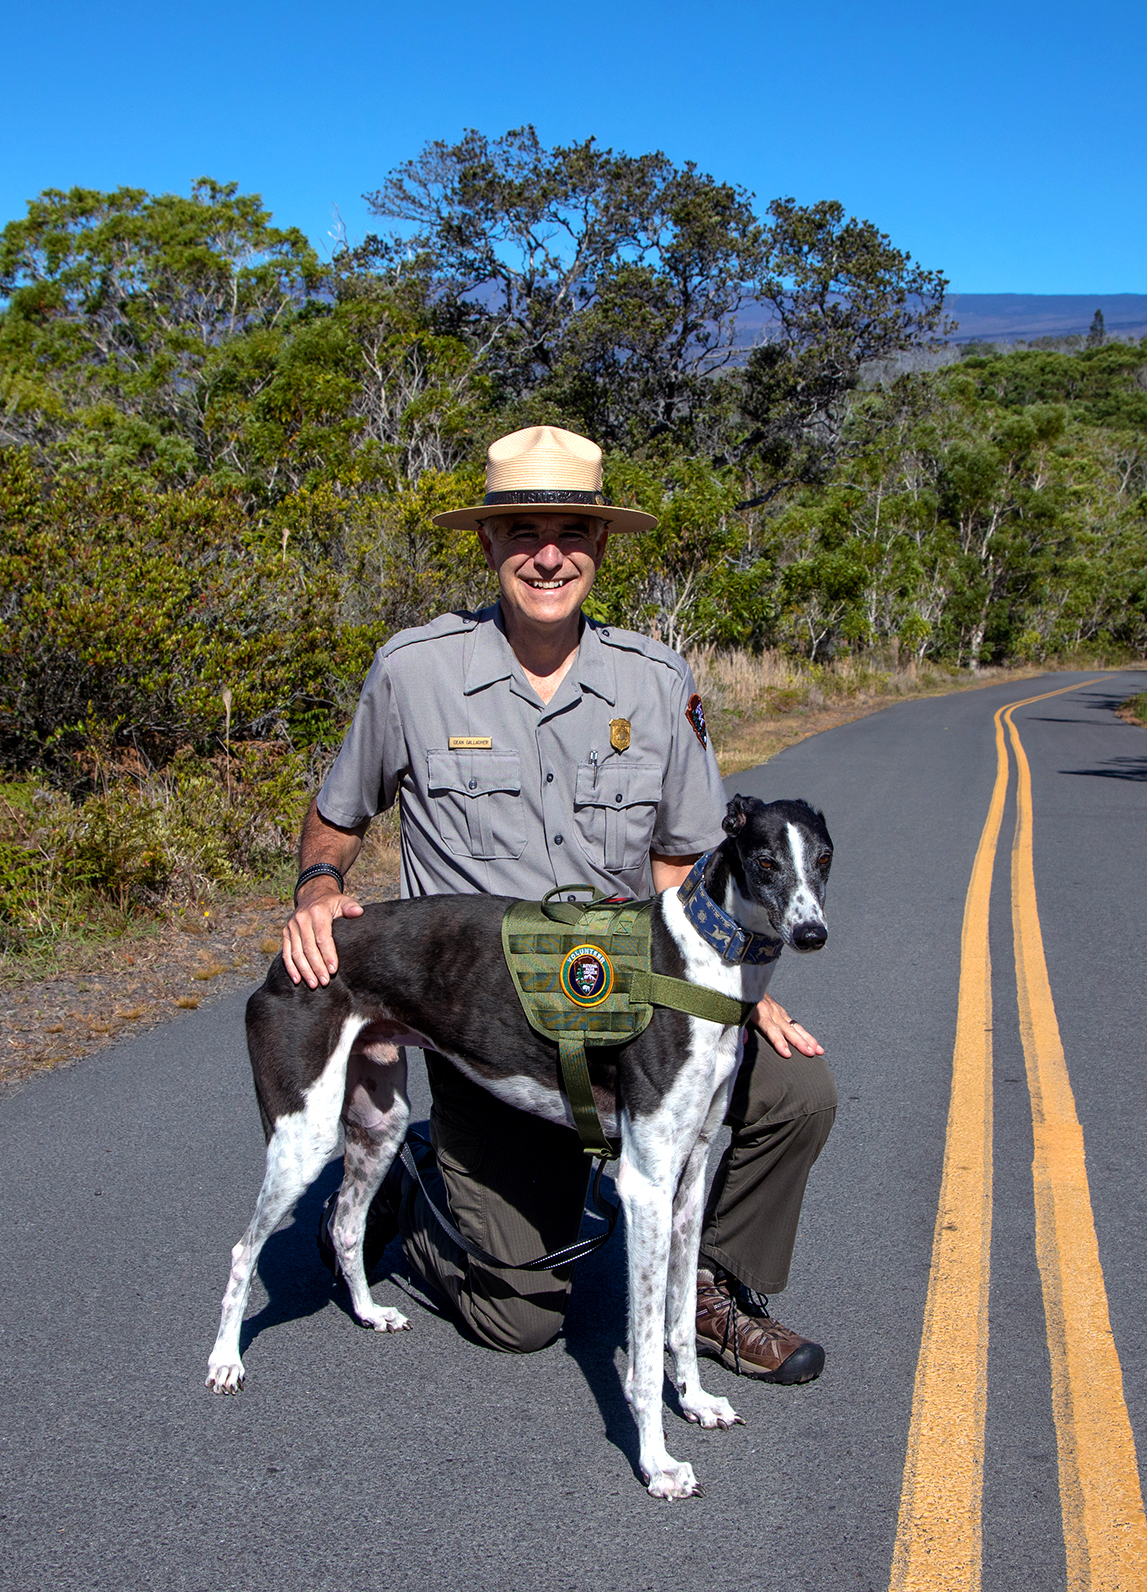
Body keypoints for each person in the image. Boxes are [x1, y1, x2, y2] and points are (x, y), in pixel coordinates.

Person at [279, 423, 835, 1383]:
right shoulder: (414, 672)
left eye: (571, 531)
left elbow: (686, 864)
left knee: (795, 1092)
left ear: (601, 547)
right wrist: (319, 889)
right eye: (522, 531)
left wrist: (733, 987)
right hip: (486, 1018)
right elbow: (337, 816)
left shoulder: (657, 684)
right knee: (520, 1320)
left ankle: (703, 1287)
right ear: (488, 545)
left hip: (630, 996)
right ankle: (418, 1199)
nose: (548, 554)